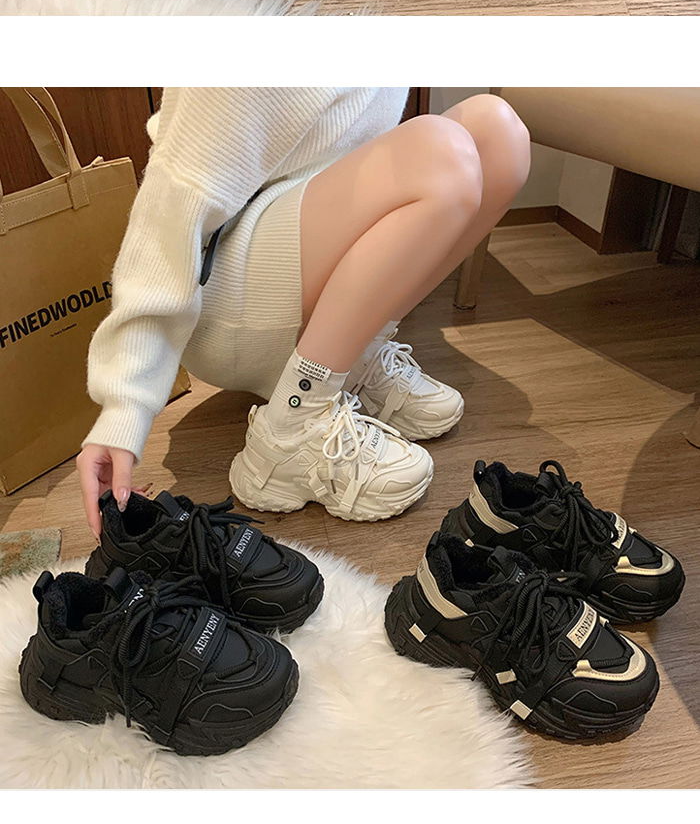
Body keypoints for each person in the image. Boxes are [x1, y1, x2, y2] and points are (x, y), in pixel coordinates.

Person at [77, 75, 530, 536]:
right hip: (227, 298)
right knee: (439, 154)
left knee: (496, 132)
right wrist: (124, 408)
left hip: (298, 259)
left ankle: (355, 356)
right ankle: (289, 432)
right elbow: (166, 220)